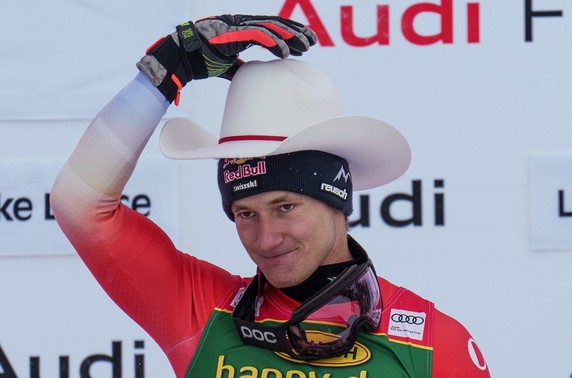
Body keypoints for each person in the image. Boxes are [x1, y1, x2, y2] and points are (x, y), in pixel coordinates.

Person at [51, 14, 490, 377]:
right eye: (245, 213)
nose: (265, 239)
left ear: (337, 198)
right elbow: (79, 205)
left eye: (285, 207)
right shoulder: (202, 311)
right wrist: (164, 72)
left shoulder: (434, 345)